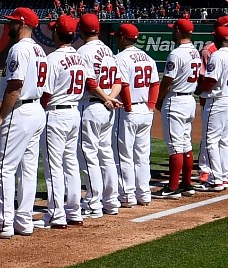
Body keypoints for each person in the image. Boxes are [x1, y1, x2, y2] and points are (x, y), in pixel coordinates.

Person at [0, 7, 46, 239]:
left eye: (12, 21)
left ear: (22, 24)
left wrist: (0, 117)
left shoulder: (19, 49)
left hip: (20, 111)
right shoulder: (40, 49)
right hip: (36, 110)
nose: (8, 25)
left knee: (5, 167)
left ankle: (4, 221)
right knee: (28, 169)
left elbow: (15, 86)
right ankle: (23, 220)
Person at [40, 15, 89, 226]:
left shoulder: (53, 59)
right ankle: (74, 211)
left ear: (56, 33)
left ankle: (57, 213)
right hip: (74, 112)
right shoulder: (79, 57)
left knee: (54, 166)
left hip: (57, 114)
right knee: (71, 163)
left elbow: (46, 94)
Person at [75, 14, 122, 217]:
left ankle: (93, 203)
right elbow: (118, 80)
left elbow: (90, 83)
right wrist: (110, 98)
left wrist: (105, 98)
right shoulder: (108, 50)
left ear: (81, 30)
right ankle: (111, 201)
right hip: (107, 108)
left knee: (89, 156)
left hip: (92, 106)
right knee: (106, 154)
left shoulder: (83, 51)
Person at [195, 25, 228, 191]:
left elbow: (211, 80)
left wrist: (198, 89)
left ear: (217, 39)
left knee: (211, 141)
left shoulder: (217, 55)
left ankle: (215, 180)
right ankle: (223, 177)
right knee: (224, 141)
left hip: (218, 100)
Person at [112, 24, 159, 207]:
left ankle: (127, 195)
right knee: (142, 155)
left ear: (123, 38)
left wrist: (129, 107)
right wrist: (151, 107)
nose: (116, 39)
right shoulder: (148, 58)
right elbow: (155, 84)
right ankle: (144, 193)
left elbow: (123, 85)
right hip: (145, 111)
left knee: (124, 154)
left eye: (117, 37)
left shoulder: (120, 58)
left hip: (129, 110)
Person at [160, 18, 201, 197]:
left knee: (175, 146)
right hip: (190, 99)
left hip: (176, 100)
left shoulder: (176, 54)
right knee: (185, 144)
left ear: (178, 31)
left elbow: (167, 80)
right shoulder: (195, 52)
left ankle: (173, 187)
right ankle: (187, 184)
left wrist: (158, 100)